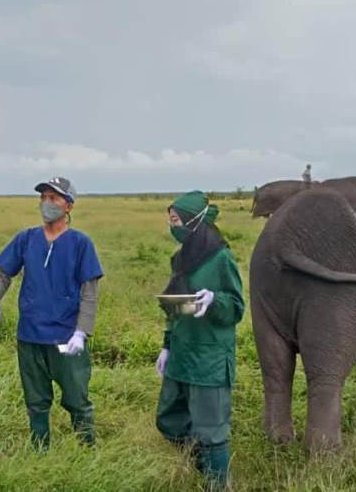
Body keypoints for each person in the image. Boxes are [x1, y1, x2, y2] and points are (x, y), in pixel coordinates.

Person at [0, 177, 103, 449]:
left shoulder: (81, 243)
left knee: (76, 396)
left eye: (54, 198)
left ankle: (86, 449)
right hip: (30, 334)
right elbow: (3, 273)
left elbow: (89, 292)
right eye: (43, 197)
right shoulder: (26, 239)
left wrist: (81, 332)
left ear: (68, 206)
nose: (47, 203)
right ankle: (40, 449)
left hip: (65, 337)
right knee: (35, 399)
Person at [155, 191, 245, 490]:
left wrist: (214, 299)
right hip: (181, 354)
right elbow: (176, 309)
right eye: (171, 220)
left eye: (176, 219)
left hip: (209, 358)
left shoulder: (221, 258)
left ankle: (218, 483)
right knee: (169, 420)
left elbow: (236, 307)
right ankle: (203, 464)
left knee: (211, 431)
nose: (173, 225)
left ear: (194, 220)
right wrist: (167, 346)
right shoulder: (181, 258)